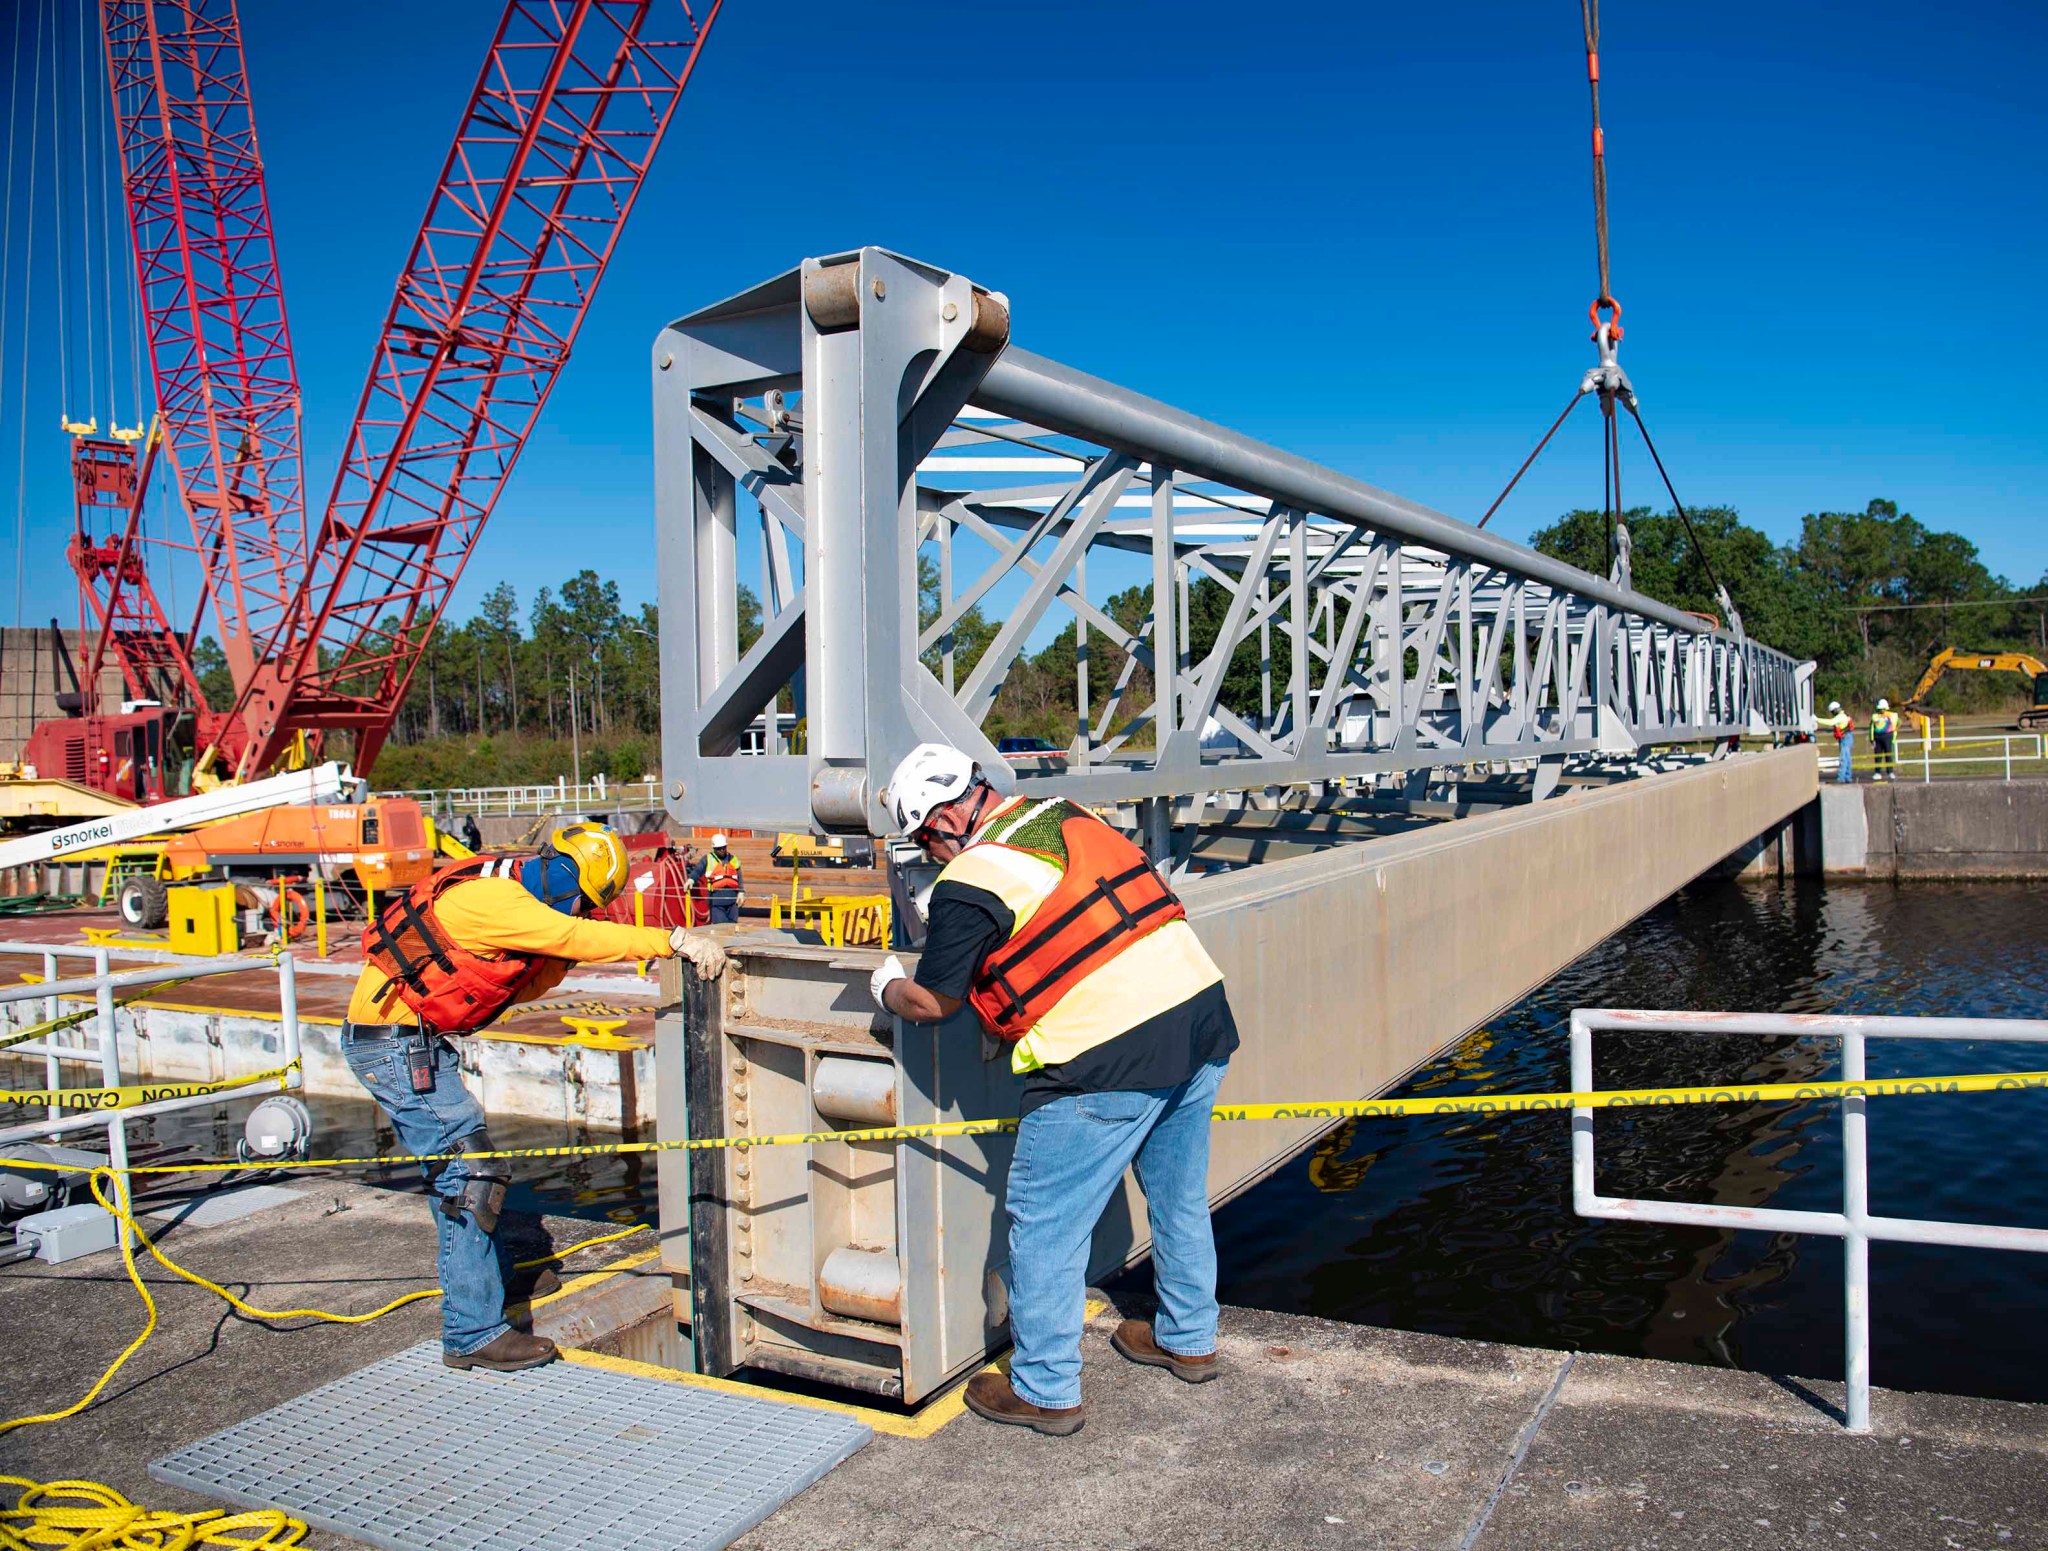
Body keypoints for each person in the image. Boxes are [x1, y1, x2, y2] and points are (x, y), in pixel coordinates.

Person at [869, 743, 1239, 1437]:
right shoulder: (1062, 812)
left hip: (1104, 1058)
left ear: (945, 818)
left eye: (924, 837)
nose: (931, 852)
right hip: (1199, 1019)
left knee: (1043, 1223)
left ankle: (1045, 1389)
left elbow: (935, 1001)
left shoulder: (970, 879)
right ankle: (1189, 1339)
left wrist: (886, 985)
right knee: (1180, 1197)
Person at [346, 820, 729, 1373]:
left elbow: (528, 977)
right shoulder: (499, 901)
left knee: (458, 1171)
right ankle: (472, 1331)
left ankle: (486, 1280)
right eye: (581, 897)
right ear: (565, 873)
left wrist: (562, 954)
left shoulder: (504, 887)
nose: (576, 909)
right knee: (469, 1176)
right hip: (395, 1048)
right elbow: (573, 938)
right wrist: (670, 939)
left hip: (410, 1044)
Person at [690, 833, 744, 923]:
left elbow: (739, 877)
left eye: (724, 847)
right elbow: (698, 870)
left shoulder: (733, 860)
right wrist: (691, 880)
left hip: (732, 902)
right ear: (714, 849)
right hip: (716, 901)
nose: (722, 850)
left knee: (732, 928)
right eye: (719, 849)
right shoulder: (707, 859)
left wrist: (741, 892)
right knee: (720, 929)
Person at [1827, 701, 1855, 783]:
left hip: (1844, 738)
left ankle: (1841, 778)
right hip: (1847, 737)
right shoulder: (1844, 715)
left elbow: (1830, 722)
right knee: (1847, 758)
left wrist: (1817, 719)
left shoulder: (1840, 717)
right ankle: (1847, 777)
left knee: (1844, 758)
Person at [1870, 699, 1898, 782]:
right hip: (1877, 737)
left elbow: (1899, 722)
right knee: (1878, 756)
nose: (1881, 710)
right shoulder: (1875, 716)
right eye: (1880, 708)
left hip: (1888, 737)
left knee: (1888, 755)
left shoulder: (1892, 715)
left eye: (1883, 708)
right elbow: (1871, 727)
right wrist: (1872, 738)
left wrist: (1895, 731)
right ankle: (1877, 772)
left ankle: (1890, 772)